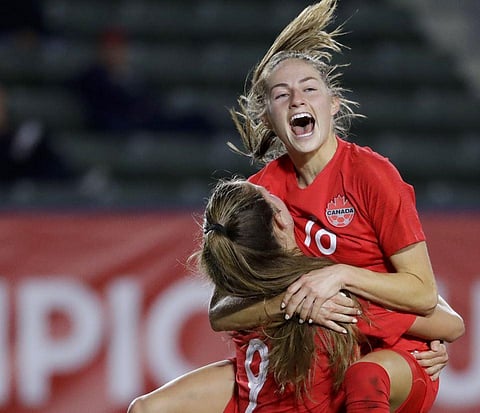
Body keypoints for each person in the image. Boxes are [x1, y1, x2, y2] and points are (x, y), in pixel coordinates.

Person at [128, 0, 451, 411]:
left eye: (309, 89)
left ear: (333, 104)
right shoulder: (261, 192)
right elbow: (222, 311)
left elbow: (424, 295)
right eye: (282, 95)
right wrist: (294, 302)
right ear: (267, 116)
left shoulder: (371, 175)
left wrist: (337, 276)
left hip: (384, 346)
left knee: (363, 378)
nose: (297, 99)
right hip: (306, 350)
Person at [128, 178, 463, 413]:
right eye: (267, 191)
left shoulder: (242, 284)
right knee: (366, 378)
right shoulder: (326, 290)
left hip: (254, 403)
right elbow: (449, 325)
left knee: (145, 408)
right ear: (280, 217)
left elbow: (219, 315)